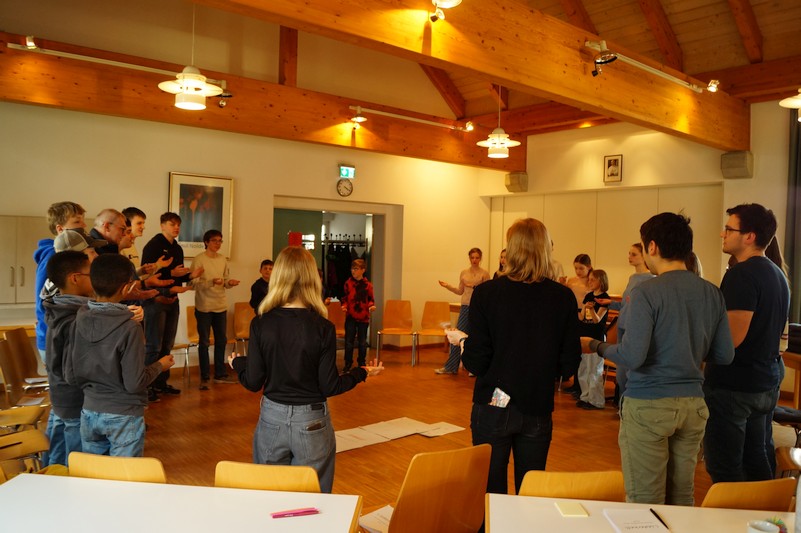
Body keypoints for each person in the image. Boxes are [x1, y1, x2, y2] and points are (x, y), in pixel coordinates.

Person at [585, 212, 734, 505]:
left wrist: (595, 346)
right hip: (693, 405)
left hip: (650, 404)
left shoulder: (647, 292)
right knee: (682, 497)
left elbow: (632, 355)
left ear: (652, 247)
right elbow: (724, 354)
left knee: (645, 500)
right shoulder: (711, 292)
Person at [229, 246, 383, 493]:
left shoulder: (261, 323)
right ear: (312, 278)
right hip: (312, 420)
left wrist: (237, 363)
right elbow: (330, 386)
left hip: (272, 418)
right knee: (314, 499)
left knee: (269, 495)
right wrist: (361, 372)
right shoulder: (323, 327)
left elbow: (253, 381)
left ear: (279, 276)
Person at [445, 218, 580, 495]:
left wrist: (463, 343)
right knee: (530, 494)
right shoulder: (562, 297)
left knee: (491, 493)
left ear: (511, 250)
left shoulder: (487, 294)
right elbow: (568, 363)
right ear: (546, 249)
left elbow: (476, 361)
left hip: (495, 402)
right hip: (537, 405)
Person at [704, 203, 790, 482]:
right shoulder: (778, 274)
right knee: (757, 458)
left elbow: (731, 340)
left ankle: (733, 511)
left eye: (729, 229)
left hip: (736, 387)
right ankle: (764, 507)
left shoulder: (741, 274)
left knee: (725, 465)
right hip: (764, 380)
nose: (723, 234)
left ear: (750, 236)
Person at [66, 254, 175, 456]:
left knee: (94, 473)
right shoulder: (130, 328)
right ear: (126, 288)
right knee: (124, 475)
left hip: (89, 411)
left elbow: (70, 376)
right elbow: (134, 383)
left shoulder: (77, 321)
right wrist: (160, 365)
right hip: (124, 414)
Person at [141, 212, 203, 401]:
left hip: (173, 300)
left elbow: (178, 276)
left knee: (167, 344)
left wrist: (190, 276)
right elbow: (146, 275)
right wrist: (171, 272)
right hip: (156, 300)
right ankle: (147, 386)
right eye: (172, 224)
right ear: (162, 225)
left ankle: (161, 383)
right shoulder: (153, 245)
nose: (176, 228)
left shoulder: (177, 248)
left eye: (178, 224)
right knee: (154, 345)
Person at [42, 251, 93, 466]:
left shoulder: (59, 307)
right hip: (73, 398)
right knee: (74, 461)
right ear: (75, 278)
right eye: (91, 273)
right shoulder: (75, 317)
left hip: (60, 395)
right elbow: (74, 368)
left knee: (57, 454)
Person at [595, 243, 655, 403]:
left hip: (633, 326)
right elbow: (626, 303)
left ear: (644, 256)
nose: (629, 257)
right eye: (629, 253)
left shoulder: (650, 279)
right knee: (621, 371)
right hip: (622, 325)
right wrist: (610, 303)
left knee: (629, 368)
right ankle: (622, 402)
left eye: (634, 254)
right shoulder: (633, 278)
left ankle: (629, 403)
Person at [34, 201, 87, 364]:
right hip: (54, 337)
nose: (84, 225)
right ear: (60, 229)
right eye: (77, 222)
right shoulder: (53, 256)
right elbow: (44, 298)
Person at [190, 229, 240, 390]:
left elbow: (224, 280)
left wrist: (229, 283)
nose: (217, 243)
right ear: (206, 242)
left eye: (220, 241)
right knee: (204, 342)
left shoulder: (222, 259)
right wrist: (211, 282)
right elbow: (192, 284)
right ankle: (205, 376)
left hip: (220, 305)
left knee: (221, 340)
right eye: (214, 240)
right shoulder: (199, 259)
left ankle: (220, 374)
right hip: (204, 306)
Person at [436, 248, 490, 375]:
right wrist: (448, 286)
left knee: (475, 337)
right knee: (458, 334)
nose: (474, 260)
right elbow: (460, 291)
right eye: (472, 257)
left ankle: (473, 368)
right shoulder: (464, 273)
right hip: (465, 306)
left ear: (480, 258)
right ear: (469, 258)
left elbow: (486, 292)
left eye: (477, 257)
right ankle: (451, 367)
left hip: (478, 308)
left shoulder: (484, 274)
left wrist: (474, 286)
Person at [575, 269, 609, 410]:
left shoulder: (605, 298)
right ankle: (585, 396)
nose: (589, 282)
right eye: (589, 279)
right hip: (585, 336)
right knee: (583, 369)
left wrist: (592, 310)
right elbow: (582, 316)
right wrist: (581, 310)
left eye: (592, 280)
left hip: (596, 338)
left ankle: (596, 401)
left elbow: (597, 320)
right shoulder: (588, 295)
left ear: (601, 281)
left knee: (595, 369)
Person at [560, 253, 593, 393]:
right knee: (574, 349)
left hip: (587, 315)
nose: (578, 271)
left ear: (589, 267)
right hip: (574, 314)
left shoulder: (592, 281)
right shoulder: (572, 281)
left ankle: (582, 386)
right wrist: (563, 284)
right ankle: (575, 383)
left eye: (581, 268)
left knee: (584, 351)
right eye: (576, 268)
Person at [341, 258, 376, 371]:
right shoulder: (348, 283)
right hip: (350, 316)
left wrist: (371, 306)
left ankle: (361, 362)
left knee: (362, 342)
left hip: (363, 317)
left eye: (356, 269)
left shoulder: (368, 285)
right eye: (352, 268)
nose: (353, 271)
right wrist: (344, 305)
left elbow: (370, 299)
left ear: (363, 270)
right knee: (349, 342)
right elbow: (344, 298)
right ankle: (348, 363)